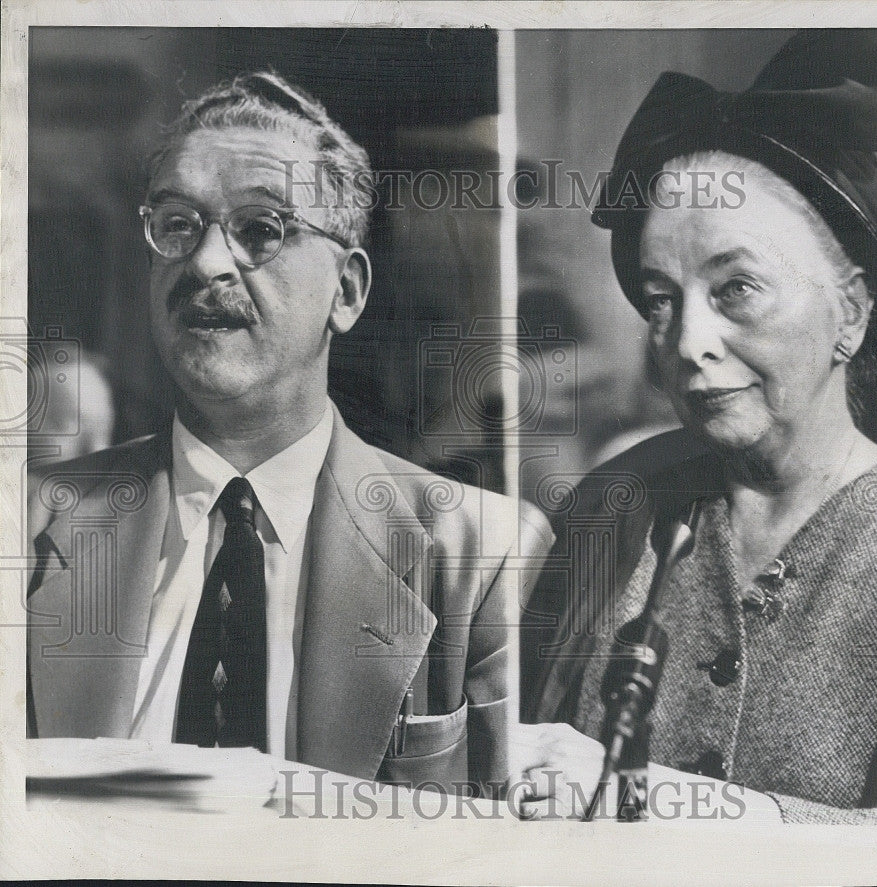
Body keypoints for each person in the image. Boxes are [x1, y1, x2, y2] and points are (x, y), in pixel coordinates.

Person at [26, 71, 552, 796]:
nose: (206, 263)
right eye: (177, 224)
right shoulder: (25, 527)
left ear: (348, 292)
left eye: (260, 229)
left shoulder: (486, 555)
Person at [519, 30, 877, 824]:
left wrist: (658, 798)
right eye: (661, 297)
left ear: (851, 309)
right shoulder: (618, 508)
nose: (687, 341)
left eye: (735, 287)